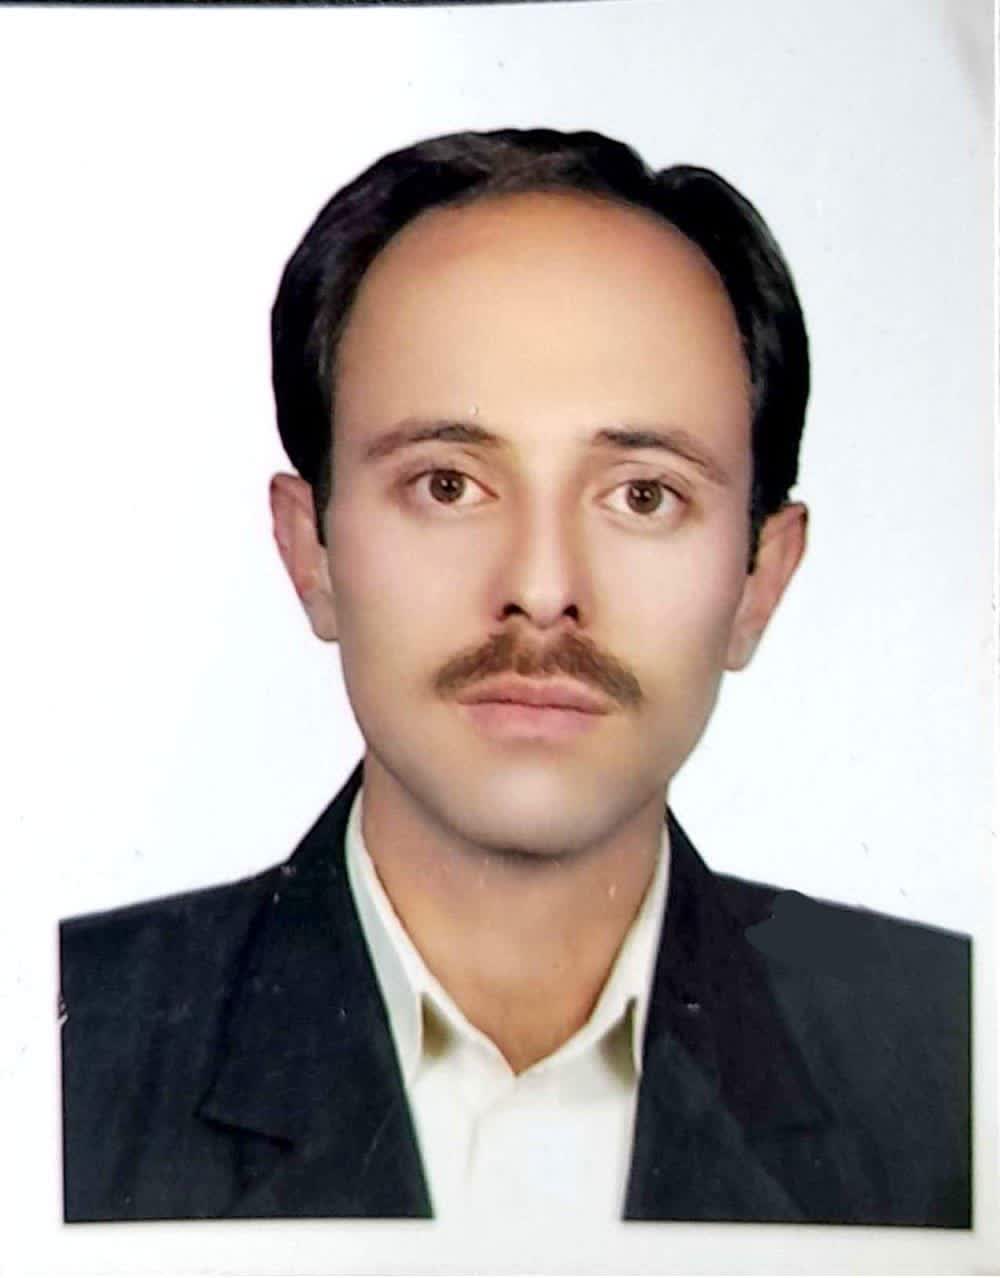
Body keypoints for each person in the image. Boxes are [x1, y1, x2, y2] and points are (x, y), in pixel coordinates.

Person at [59, 128, 970, 1227]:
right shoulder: (58, 1053)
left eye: (642, 495)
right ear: (312, 553)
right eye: (447, 484)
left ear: (758, 581)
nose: (541, 590)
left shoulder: (960, 1061)